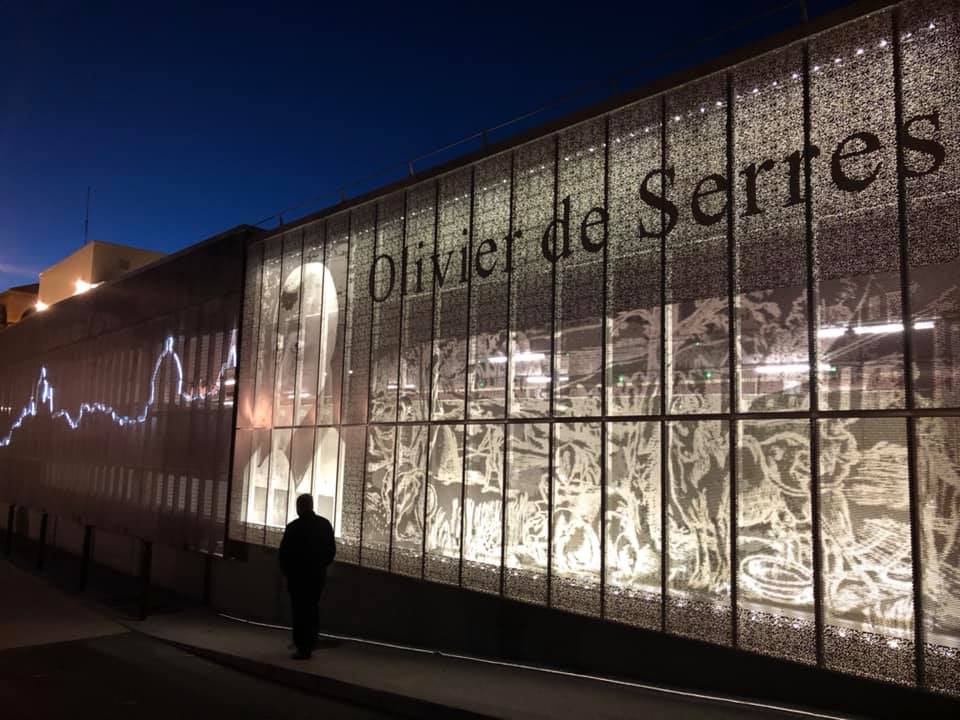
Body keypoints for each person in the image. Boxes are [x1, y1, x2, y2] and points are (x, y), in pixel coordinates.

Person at [278, 493, 336, 660]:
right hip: (317, 577)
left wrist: (288, 572)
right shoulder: (324, 525)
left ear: (299, 507)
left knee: (299, 611)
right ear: (311, 506)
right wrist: (320, 567)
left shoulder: (293, 527)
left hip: (297, 578)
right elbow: (330, 552)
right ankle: (310, 642)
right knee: (312, 609)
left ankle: (302, 646)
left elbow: (284, 554)